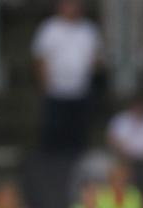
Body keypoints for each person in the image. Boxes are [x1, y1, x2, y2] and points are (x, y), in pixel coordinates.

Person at [32, 0, 102, 153]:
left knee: (78, 129)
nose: (71, 8)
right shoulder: (50, 28)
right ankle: (52, 159)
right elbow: (41, 58)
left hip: (80, 88)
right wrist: (45, 83)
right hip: (56, 88)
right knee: (55, 128)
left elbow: (96, 57)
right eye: (68, 4)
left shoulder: (88, 29)